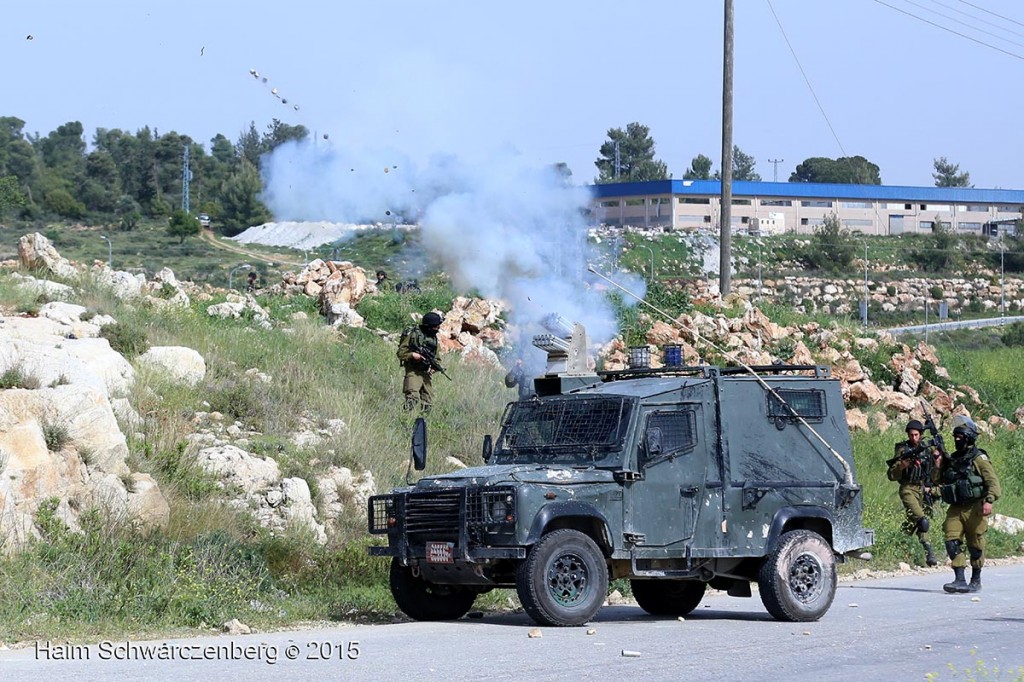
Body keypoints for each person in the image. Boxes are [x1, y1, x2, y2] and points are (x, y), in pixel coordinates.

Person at [935, 415, 1001, 594]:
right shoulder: (953, 459)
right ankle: (959, 579)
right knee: (951, 540)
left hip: (975, 506)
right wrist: (938, 463)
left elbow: (993, 482)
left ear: (969, 438)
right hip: (956, 507)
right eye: (955, 437)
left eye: (960, 437)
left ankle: (976, 579)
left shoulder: (979, 458)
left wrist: (989, 500)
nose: (957, 440)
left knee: (975, 545)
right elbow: (939, 481)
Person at [887, 419, 940, 566]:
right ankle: (929, 552)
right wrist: (902, 466)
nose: (914, 438)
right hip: (907, 489)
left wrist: (937, 463)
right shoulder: (903, 450)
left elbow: (935, 475)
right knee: (922, 520)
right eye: (911, 435)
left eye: (916, 435)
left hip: (922, 489)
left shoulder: (927, 449)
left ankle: (898, 544)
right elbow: (891, 475)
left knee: (913, 521)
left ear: (921, 435)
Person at [397, 311, 442, 414]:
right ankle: (404, 419)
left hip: (426, 373)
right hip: (413, 370)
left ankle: (423, 424)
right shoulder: (414, 335)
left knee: (428, 403)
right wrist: (412, 355)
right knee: (412, 398)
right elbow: (400, 353)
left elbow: (437, 358)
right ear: (429, 326)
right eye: (435, 327)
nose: (437, 329)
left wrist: (434, 368)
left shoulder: (433, 339)